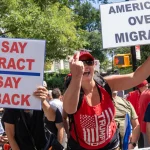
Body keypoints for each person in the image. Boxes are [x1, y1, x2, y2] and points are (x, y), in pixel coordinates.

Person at [63, 50, 150, 150]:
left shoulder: (105, 84)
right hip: (81, 147)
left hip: (111, 145)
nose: (85, 66)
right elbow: (69, 110)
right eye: (81, 63)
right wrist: (76, 76)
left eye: (89, 62)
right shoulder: (72, 91)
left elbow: (136, 77)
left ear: (93, 66)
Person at [2, 85, 55, 150]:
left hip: (43, 147)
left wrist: (43, 101)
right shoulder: (11, 108)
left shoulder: (40, 104)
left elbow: (52, 118)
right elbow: (10, 136)